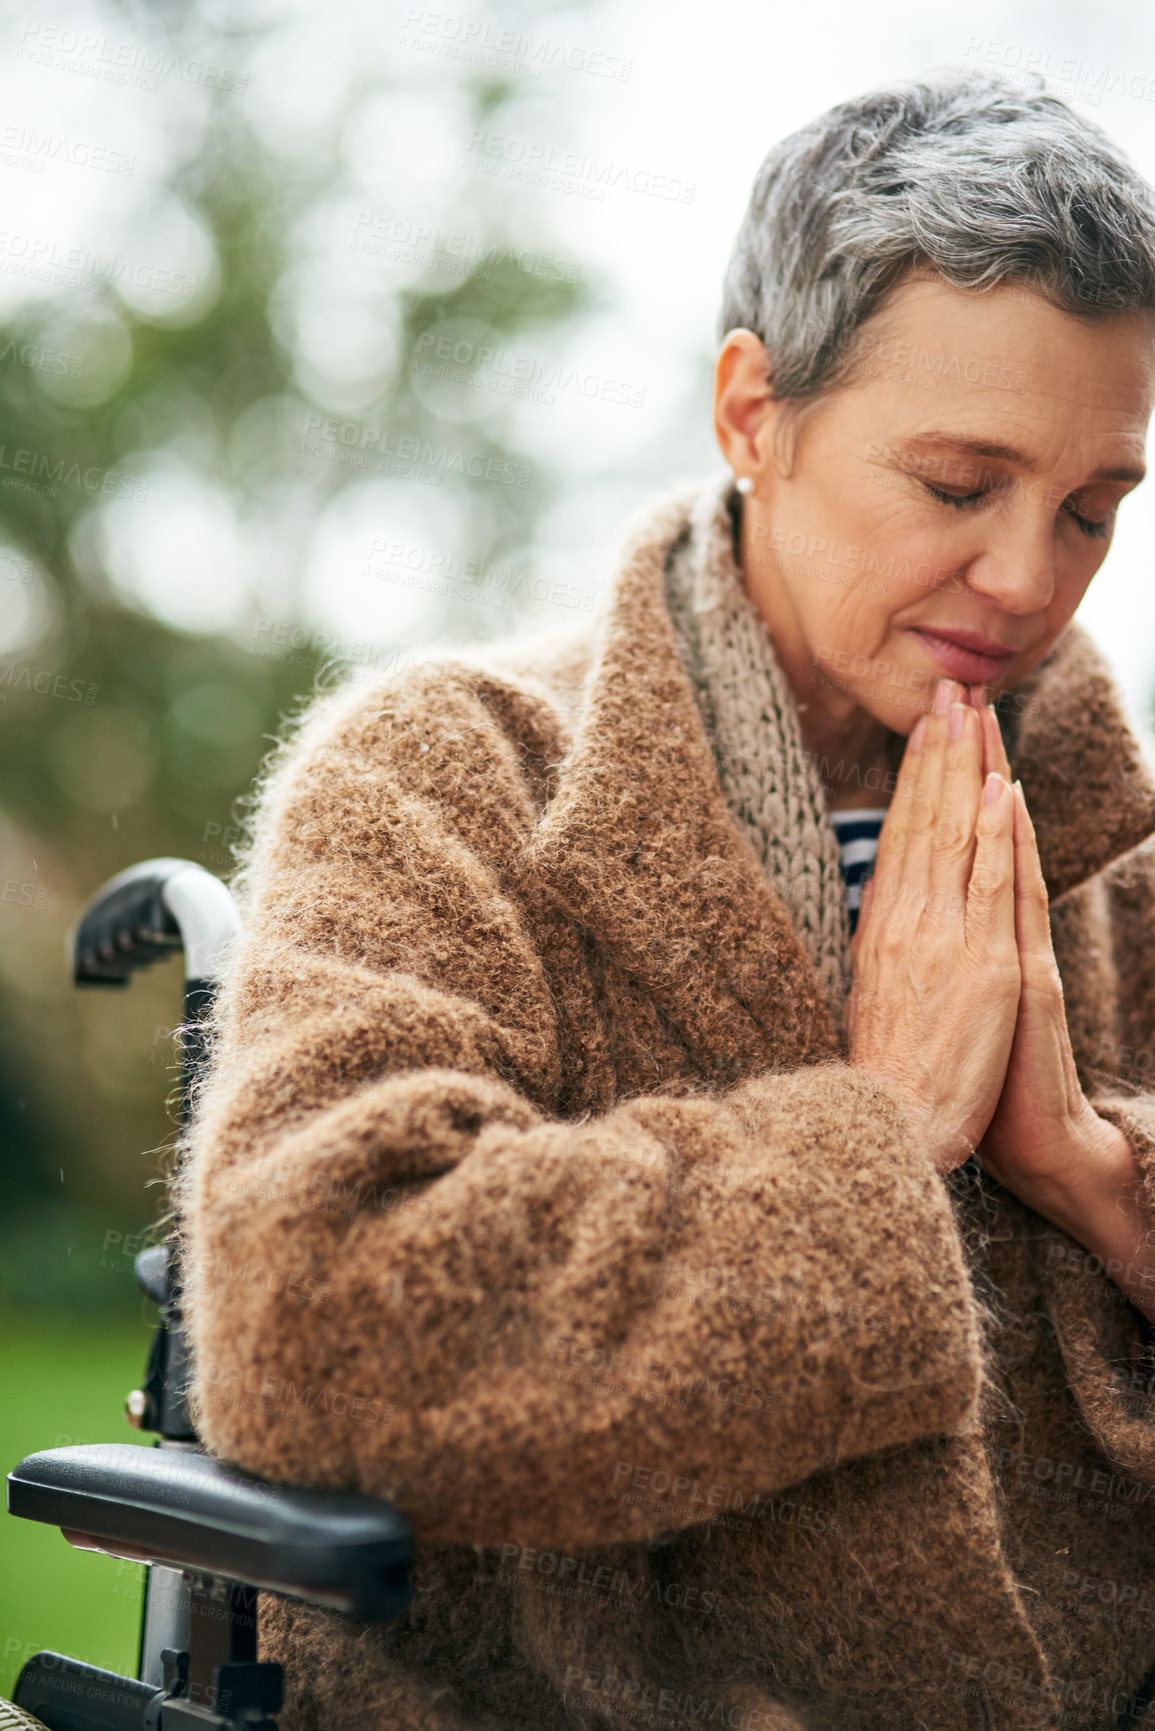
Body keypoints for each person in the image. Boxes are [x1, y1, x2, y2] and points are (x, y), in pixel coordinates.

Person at [180, 69, 1155, 1731]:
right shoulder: (444, 779)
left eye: (1091, 509)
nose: (1029, 582)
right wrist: (879, 1127)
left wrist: (1092, 1173)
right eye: (955, 485)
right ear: (752, 413)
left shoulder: (1126, 854)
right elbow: (315, 1317)